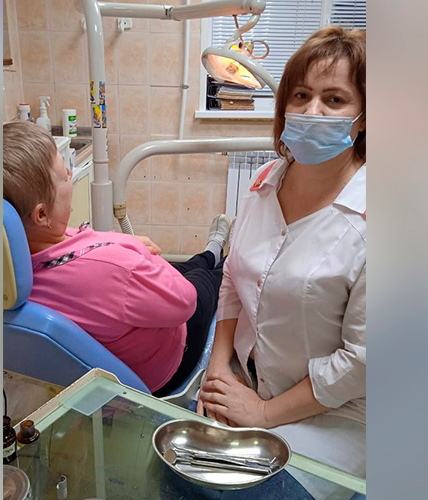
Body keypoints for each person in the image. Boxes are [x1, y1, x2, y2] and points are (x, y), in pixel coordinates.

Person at [197, 26, 366, 497]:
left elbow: (363, 361)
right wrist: (218, 366)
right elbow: (232, 278)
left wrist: (263, 414)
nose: (312, 111)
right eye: (301, 95)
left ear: (364, 118)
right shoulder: (266, 182)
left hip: (337, 416)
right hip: (249, 384)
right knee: (173, 475)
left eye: (334, 99)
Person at [3, 120, 231, 395]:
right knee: (207, 278)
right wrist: (135, 251)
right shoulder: (116, 269)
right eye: (63, 175)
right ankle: (225, 259)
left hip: (126, 296)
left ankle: (210, 251)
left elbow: (87, 247)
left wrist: (127, 247)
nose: (70, 172)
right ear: (41, 215)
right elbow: (185, 301)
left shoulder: (14, 267)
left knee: (190, 266)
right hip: (171, 358)